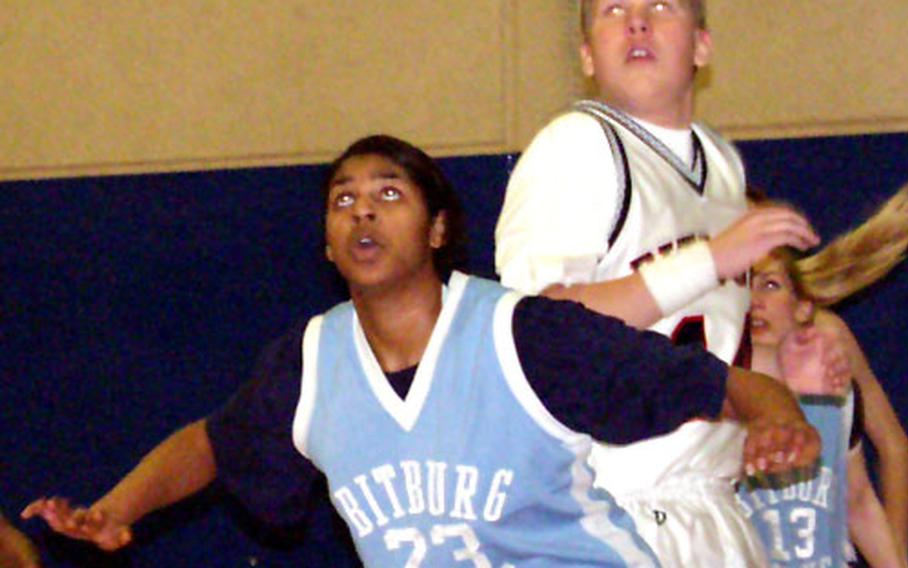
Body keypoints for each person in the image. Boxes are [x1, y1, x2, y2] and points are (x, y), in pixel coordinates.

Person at [24, 135, 822, 567]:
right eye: (344, 200)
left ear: (438, 230)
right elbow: (211, 444)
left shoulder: (521, 336)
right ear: (329, 246)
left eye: (388, 195)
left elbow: (709, 383)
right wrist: (116, 510)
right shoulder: (309, 368)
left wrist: (779, 417)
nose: (362, 212)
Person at [495, 1, 819, 566]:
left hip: (710, 503)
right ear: (587, 56)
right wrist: (707, 261)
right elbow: (538, 338)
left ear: (701, 45)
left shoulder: (720, 163)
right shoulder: (575, 146)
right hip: (611, 506)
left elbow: (711, 339)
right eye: (613, 10)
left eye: (660, 7)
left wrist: (779, 408)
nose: (636, 23)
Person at [742, 186, 908, 567]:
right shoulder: (709, 373)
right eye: (744, 282)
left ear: (802, 307)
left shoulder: (827, 353)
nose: (755, 300)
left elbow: (864, 490)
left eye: (769, 283)